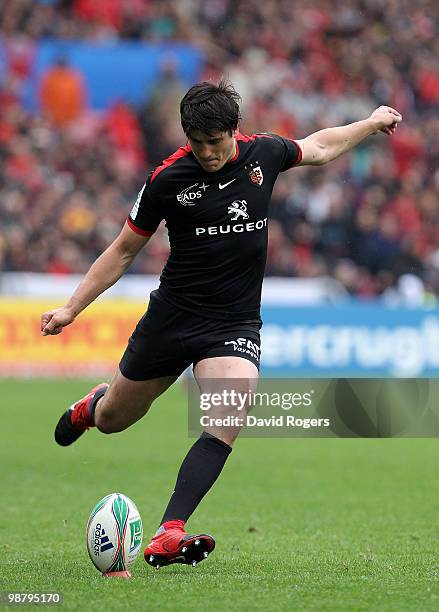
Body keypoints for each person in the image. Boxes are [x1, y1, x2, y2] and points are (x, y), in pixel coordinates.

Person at [41, 80, 402, 569]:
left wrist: (370, 122)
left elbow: (319, 146)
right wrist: (71, 308)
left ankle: (169, 531)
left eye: (216, 141)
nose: (208, 152)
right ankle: (94, 406)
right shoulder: (167, 178)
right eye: (198, 142)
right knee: (115, 421)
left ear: (234, 130)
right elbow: (125, 249)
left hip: (232, 322)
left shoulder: (265, 154)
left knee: (227, 417)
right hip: (172, 318)